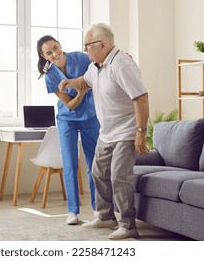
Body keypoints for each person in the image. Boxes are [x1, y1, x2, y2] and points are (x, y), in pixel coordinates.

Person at [59, 23, 149, 239]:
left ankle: (128, 226)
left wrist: (140, 133)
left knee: (120, 176)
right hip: (107, 132)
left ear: (102, 44)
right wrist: (70, 82)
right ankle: (106, 217)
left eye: (87, 45)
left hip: (127, 131)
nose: (85, 50)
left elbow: (141, 98)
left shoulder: (122, 64)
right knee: (98, 172)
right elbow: (86, 82)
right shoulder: (96, 65)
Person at [36, 35, 100, 225]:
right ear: (44, 56)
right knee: (70, 163)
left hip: (90, 116)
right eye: (49, 52)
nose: (55, 54)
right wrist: (82, 90)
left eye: (56, 47)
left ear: (60, 44)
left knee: (93, 163)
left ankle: (98, 209)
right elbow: (70, 105)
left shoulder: (81, 58)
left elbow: (100, 64)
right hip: (67, 119)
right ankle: (73, 211)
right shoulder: (50, 77)